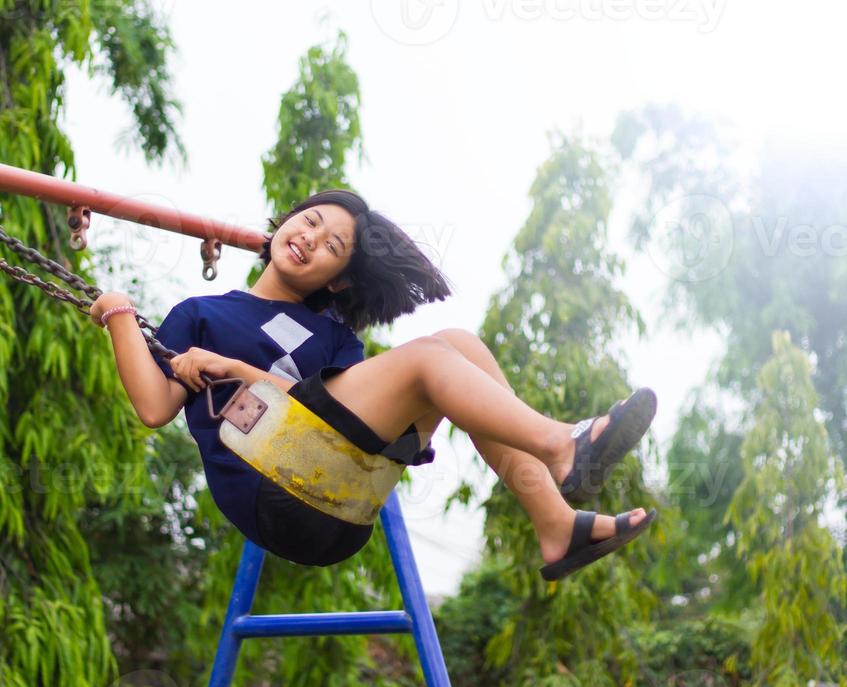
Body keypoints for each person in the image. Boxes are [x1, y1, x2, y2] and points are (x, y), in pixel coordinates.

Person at [91, 189, 657, 579]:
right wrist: (120, 314)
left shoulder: (333, 336)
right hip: (269, 492)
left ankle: (554, 521)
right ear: (287, 221)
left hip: (337, 494)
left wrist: (239, 371)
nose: (313, 239)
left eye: (333, 246)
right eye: (311, 222)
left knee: (458, 345)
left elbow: (325, 409)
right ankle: (561, 446)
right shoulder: (202, 315)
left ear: (338, 281)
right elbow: (152, 405)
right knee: (434, 358)